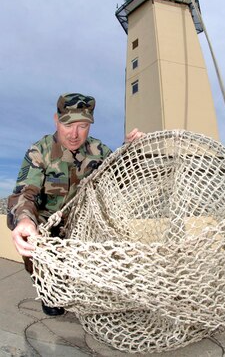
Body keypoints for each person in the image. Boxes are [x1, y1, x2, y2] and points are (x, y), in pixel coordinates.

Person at [7, 92, 143, 316]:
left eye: (82, 126)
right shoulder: (39, 152)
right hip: (46, 227)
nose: (74, 134)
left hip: (83, 225)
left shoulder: (99, 152)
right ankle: (47, 288)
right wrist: (24, 221)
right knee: (41, 264)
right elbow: (24, 193)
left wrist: (132, 152)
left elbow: (120, 178)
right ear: (56, 120)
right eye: (67, 124)